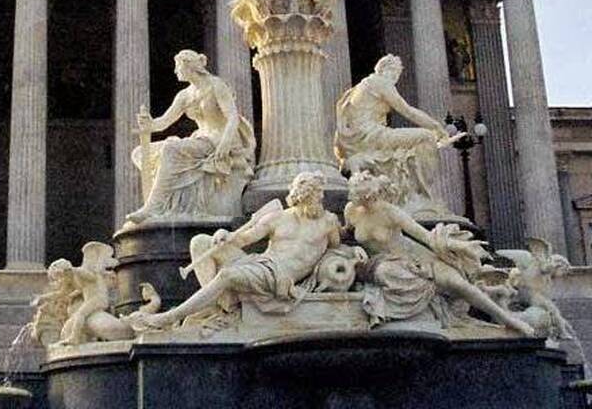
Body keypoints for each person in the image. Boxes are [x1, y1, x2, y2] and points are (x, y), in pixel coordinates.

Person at [132, 172, 340, 329]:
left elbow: (337, 248)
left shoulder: (329, 222)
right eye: (315, 193)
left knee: (227, 275)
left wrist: (349, 256)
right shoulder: (278, 217)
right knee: (201, 242)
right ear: (301, 196)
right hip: (262, 264)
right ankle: (219, 306)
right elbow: (245, 239)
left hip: (279, 278)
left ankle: (169, 317)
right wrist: (226, 234)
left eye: (320, 193)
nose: (320, 197)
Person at [344, 171, 535, 336]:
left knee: (459, 284)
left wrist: (461, 246)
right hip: (383, 262)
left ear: (372, 195)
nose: (355, 198)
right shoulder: (351, 211)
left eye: (360, 195)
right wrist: (354, 249)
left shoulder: (391, 213)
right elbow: (345, 233)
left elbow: (426, 237)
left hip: (415, 257)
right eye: (356, 195)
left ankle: (508, 319)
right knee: (384, 272)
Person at [126, 50, 255, 224]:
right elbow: (163, 123)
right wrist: (149, 123)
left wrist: (224, 144)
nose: (175, 71)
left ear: (189, 66)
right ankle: (169, 200)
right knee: (140, 153)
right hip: (201, 140)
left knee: (171, 149)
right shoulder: (184, 95)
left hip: (219, 139)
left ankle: (153, 207)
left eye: (177, 66)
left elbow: (233, 117)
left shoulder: (216, 85)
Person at [333, 54, 461, 214]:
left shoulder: (362, 86)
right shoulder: (380, 82)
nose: (396, 78)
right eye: (395, 73)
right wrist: (436, 126)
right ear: (385, 69)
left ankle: (412, 192)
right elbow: (407, 111)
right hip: (372, 136)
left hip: (362, 137)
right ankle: (422, 194)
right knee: (426, 137)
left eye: (397, 74)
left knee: (411, 146)